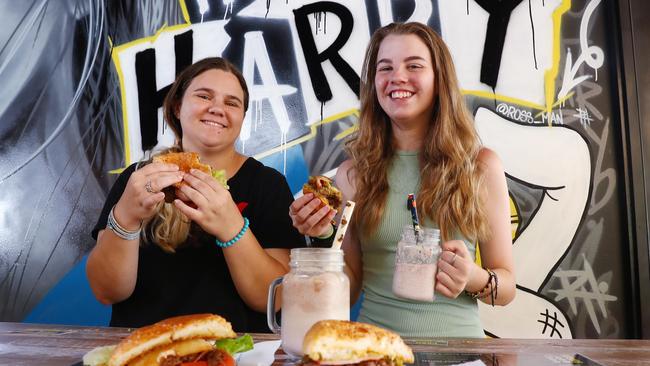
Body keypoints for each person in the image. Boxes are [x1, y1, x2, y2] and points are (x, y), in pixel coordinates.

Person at [289, 22, 515, 338]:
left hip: (461, 354)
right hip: (374, 351)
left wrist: (473, 277)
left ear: (439, 80)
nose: (397, 77)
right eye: (386, 68)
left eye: (414, 66)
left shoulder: (481, 166)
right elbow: (349, 290)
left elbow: (506, 290)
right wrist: (325, 233)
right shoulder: (353, 174)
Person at [86, 57, 305, 332]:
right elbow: (107, 291)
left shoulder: (267, 185)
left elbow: (273, 300)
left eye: (232, 103)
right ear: (177, 107)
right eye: (204, 96)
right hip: (146, 350)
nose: (217, 109)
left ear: (241, 118)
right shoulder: (139, 179)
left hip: (236, 353)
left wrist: (231, 227)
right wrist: (126, 217)